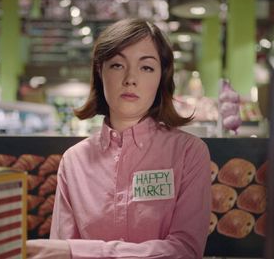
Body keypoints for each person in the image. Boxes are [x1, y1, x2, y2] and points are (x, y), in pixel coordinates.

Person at [27, 18, 212, 259]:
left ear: (161, 78)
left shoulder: (189, 153)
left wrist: (79, 252)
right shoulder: (74, 161)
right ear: (100, 72)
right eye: (117, 65)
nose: (130, 79)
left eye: (146, 67)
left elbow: (185, 251)